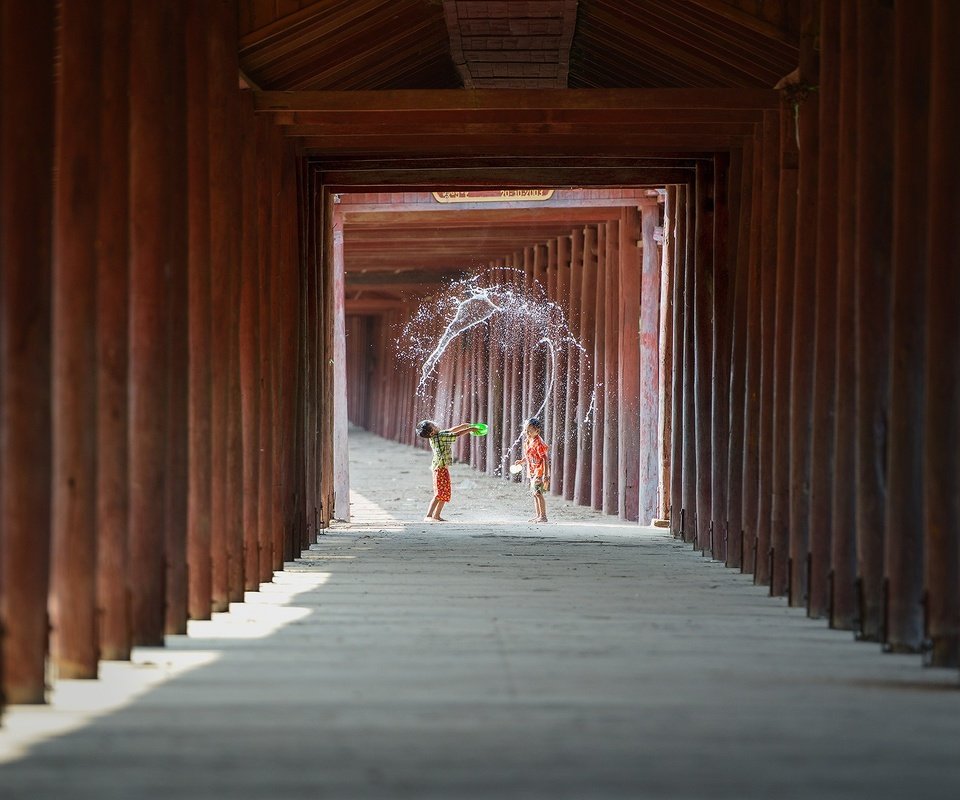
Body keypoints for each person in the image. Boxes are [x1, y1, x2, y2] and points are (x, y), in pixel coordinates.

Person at [415, 419, 481, 522]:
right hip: (440, 469)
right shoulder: (440, 437)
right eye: (433, 425)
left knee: (444, 493)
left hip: (442, 468)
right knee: (439, 493)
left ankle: (436, 516)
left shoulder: (437, 435)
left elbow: (450, 430)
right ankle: (428, 515)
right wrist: (470, 429)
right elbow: (456, 434)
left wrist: (463, 426)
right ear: (432, 432)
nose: (436, 425)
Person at [514, 417, 549, 523]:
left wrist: (545, 474)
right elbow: (530, 455)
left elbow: (545, 458)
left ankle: (543, 516)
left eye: (529, 431)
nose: (527, 433)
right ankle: (538, 515)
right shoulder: (528, 441)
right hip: (533, 471)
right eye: (525, 430)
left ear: (537, 431)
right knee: (535, 493)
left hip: (540, 471)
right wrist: (522, 461)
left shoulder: (538, 443)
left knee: (538, 493)